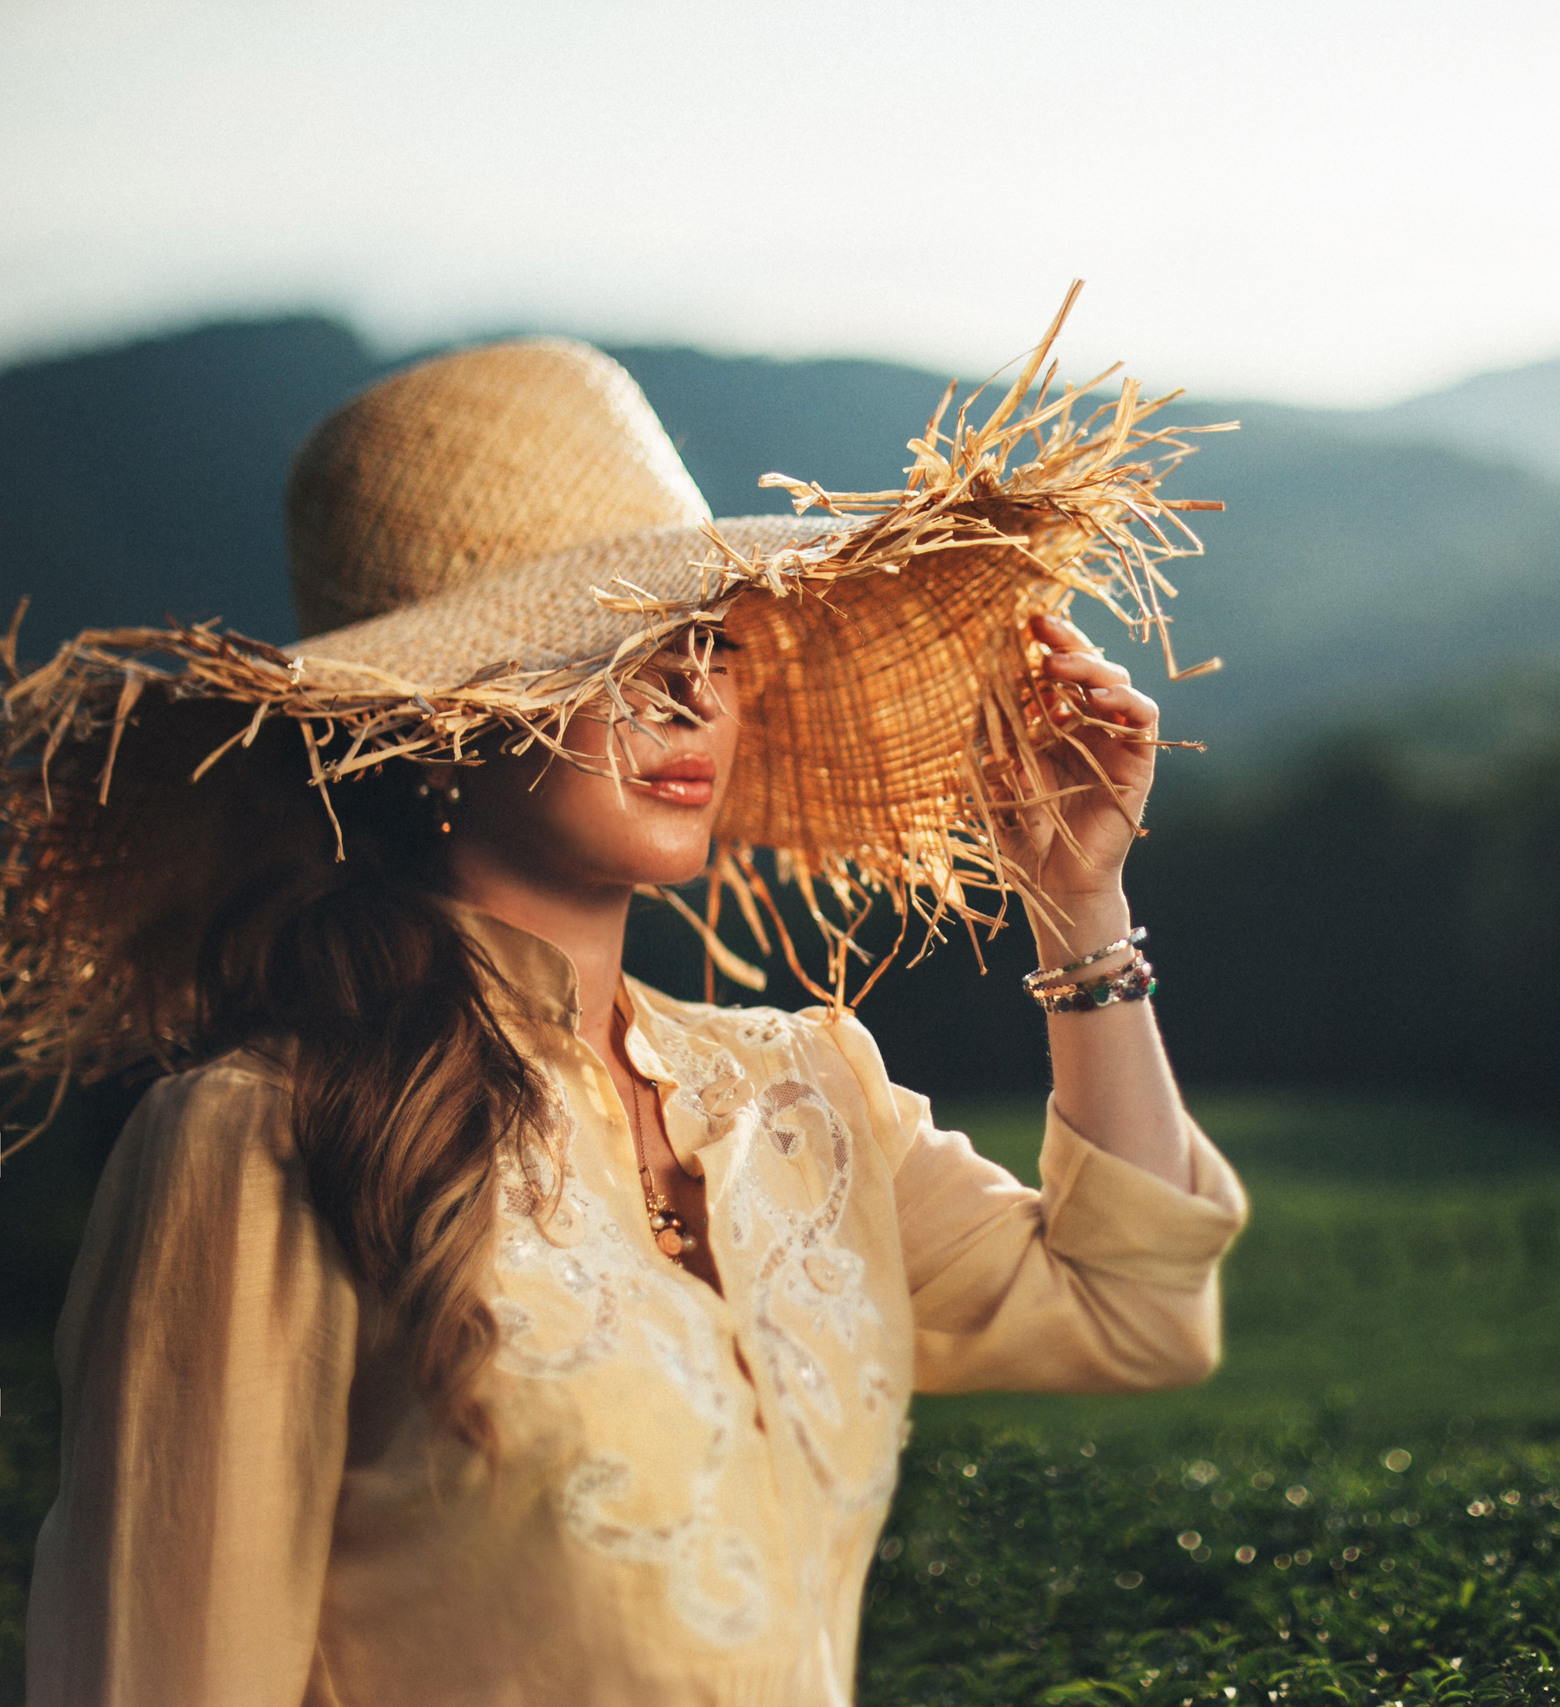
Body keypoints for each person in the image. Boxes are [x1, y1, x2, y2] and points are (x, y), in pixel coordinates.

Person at [6, 312, 1246, 1704]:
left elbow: (1134, 1310)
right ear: (432, 719)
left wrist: (1079, 907)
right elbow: (163, 1668)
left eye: (709, 635)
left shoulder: (804, 1090)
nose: (688, 684)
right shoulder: (263, 1138)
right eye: (609, 638)